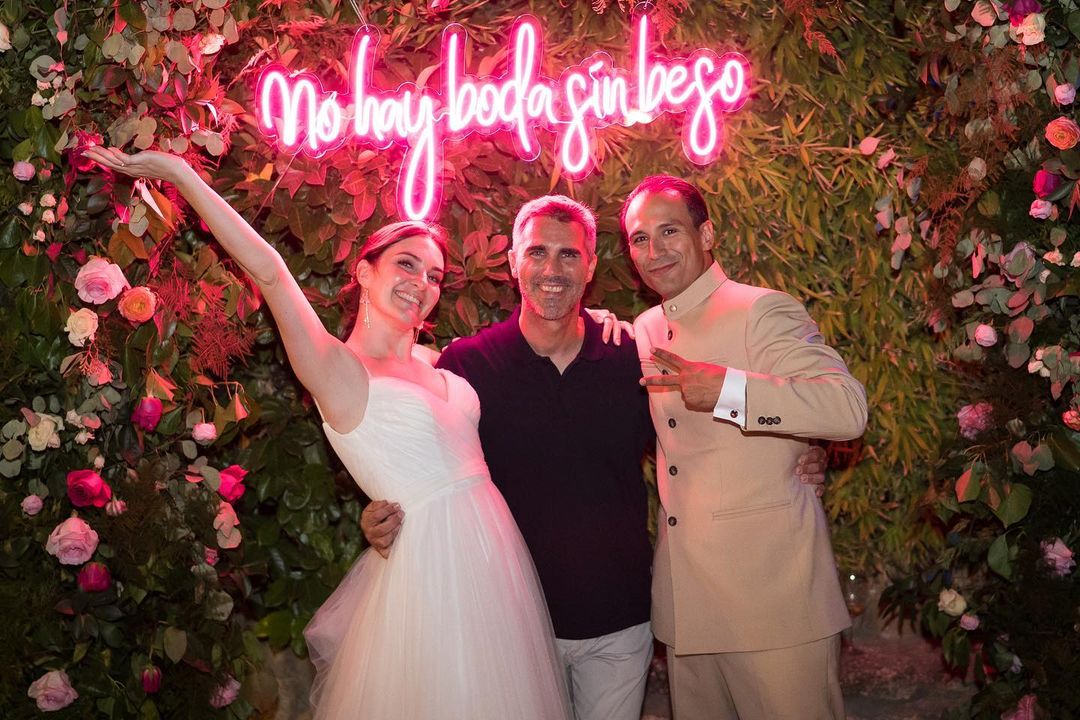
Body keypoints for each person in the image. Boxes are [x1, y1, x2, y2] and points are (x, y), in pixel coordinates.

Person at [82, 146, 572, 720]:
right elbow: (269, 269)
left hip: (496, 571)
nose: (421, 283)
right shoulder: (337, 371)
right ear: (364, 272)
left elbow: (526, 347)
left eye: (434, 275)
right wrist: (179, 173)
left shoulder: (441, 362)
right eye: (406, 265)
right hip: (430, 577)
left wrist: (597, 322)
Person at [362, 195, 829, 720]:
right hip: (507, 620)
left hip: (620, 622)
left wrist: (796, 451)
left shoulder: (635, 356)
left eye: (568, 254)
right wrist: (383, 514)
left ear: (589, 267)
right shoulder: (466, 365)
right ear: (513, 263)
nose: (552, 269)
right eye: (537, 252)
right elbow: (429, 468)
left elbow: (700, 439)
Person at [621, 175, 868, 720]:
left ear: (706, 235)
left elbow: (846, 407)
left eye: (669, 231)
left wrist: (730, 391)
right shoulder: (644, 328)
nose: (655, 250)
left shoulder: (762, 310)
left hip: (772, 602)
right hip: (688, 606)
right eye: (640, 239)